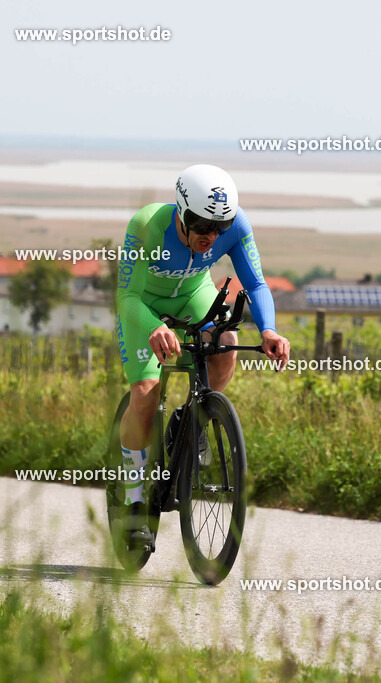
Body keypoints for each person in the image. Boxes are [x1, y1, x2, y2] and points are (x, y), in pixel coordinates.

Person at [115, 164, 290, 548]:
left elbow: (256, 282)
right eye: (200, 225)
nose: (210, 237)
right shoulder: (148, 225)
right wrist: (153, 327)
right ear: (181, 211)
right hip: (144, 306)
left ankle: (192, 417)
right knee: (145, 393)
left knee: (226, 341)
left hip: (194, 295)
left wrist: (268, 330)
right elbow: (126, 297)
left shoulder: (236, 224)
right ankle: (133, 500)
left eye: (219, 228)